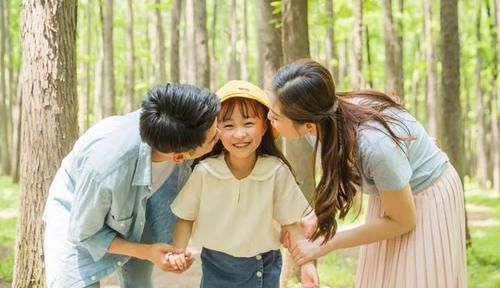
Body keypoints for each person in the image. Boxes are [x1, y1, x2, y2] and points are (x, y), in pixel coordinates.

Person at [268, 59, 467, 287]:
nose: (268, 120)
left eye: (275, 117)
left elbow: (404, 220)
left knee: (416, 278)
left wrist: (326, 243)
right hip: (391, 193)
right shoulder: (322, 125)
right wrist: (318, 216)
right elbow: (347, 171)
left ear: (309, 125)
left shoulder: (375, 146)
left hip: (428, 195)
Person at [43, 84, 220, 288]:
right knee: (74, 282)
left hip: (140, 204)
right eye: (213, 139)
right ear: (179, 156)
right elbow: (84, 231)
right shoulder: (107, 168)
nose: (219, 137)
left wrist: (174, 251)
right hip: (78, 210)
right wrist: (145, 251)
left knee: (139, 282)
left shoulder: (177, 124)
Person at [165, 80, 319, 288]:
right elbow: (185, 217)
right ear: (216, 131)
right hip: (214, 265)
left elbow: (291, 224)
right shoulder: (205, 171)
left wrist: (307, 265)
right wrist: (177, 252)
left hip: (262, 265)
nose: (239, 134)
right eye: (228, 126)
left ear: (264, 126)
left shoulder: (275, 171)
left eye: (248, 123)